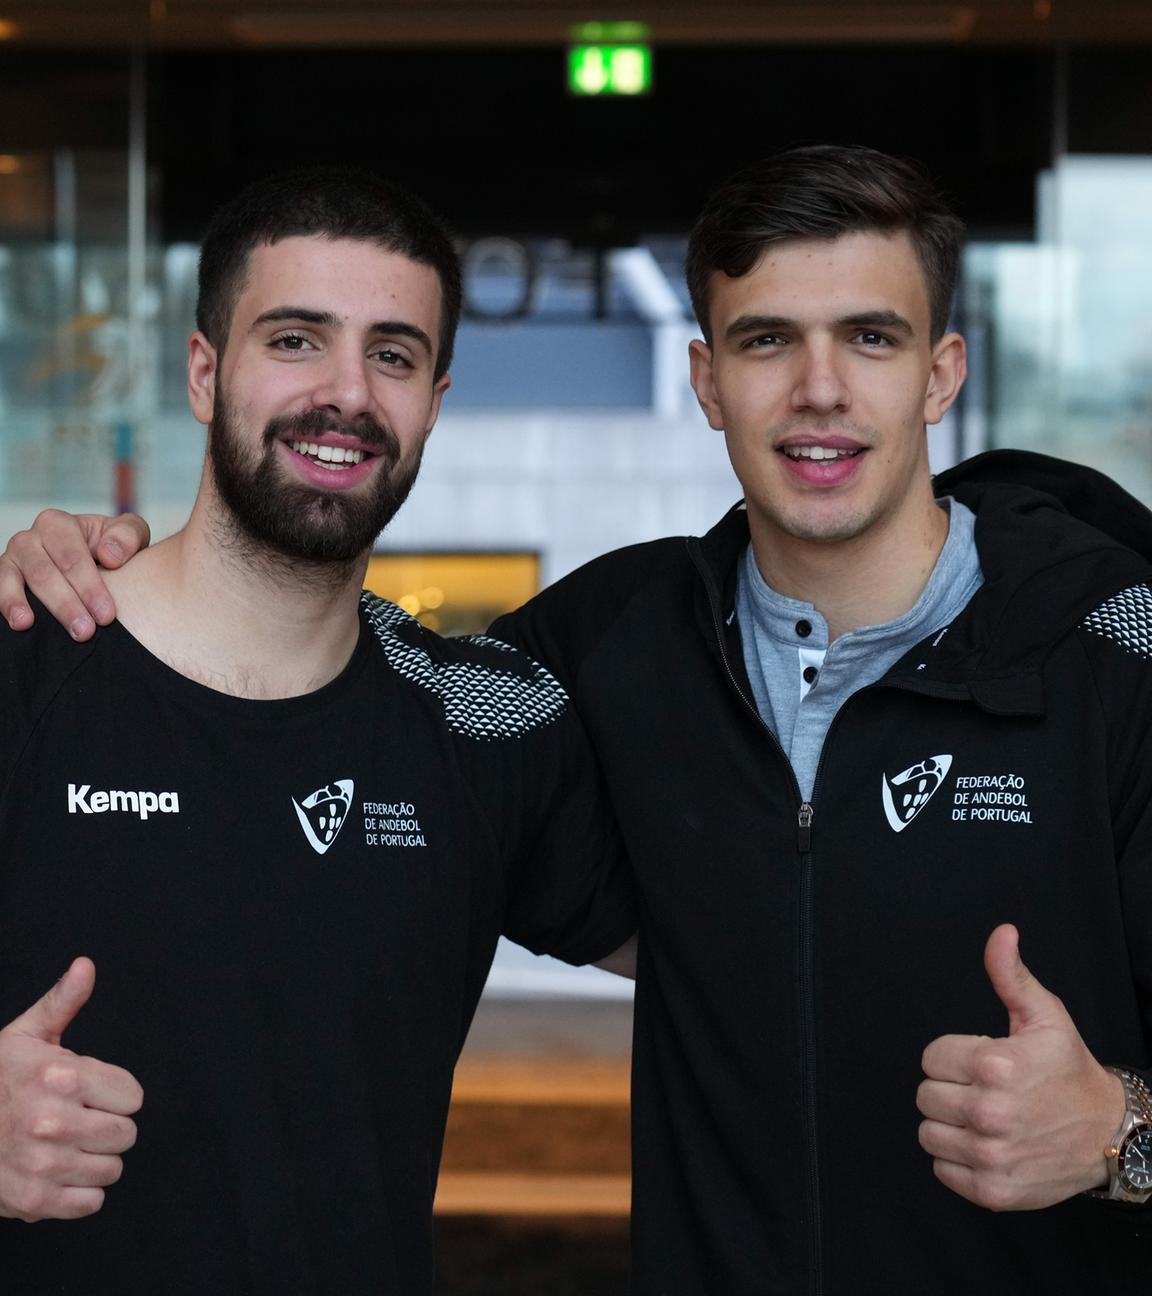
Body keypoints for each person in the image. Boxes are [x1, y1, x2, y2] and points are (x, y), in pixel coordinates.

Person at [6, 145, 1152, 1292]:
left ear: (941, 373)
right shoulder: (593, 654)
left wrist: (1121, 1134)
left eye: (871, 336)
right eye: (295, 339)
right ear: (707, 380)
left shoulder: (1114, 651)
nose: (820, 390)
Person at [0, 167, 635, 1295]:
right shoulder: (22, 665)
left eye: (391, 355)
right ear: (205, 372)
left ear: (435, 398)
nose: (345, 394)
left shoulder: (492, 720)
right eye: (295, 340)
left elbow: (752, 949)